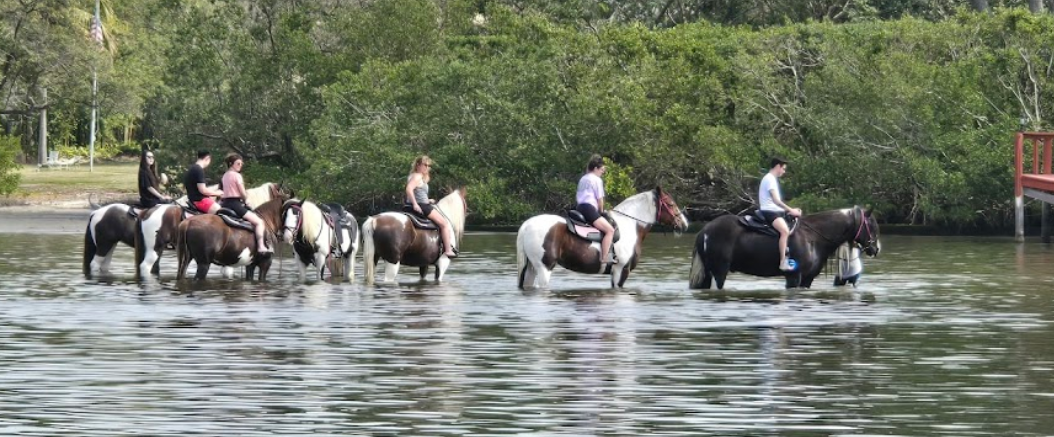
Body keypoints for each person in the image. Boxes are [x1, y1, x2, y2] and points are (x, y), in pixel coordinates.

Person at [404, 155, 457, 258]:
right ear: (418, 165)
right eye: (425, 165)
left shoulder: (413, 176)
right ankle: (448, 250)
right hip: (422, 206)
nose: (427, 168)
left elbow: (416, 193)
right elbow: (409, 189)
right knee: (444, 224)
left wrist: (428, 200)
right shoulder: (417, 176)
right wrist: (415, 204)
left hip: (413, 204)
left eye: (429, 166)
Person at [220, 153, 272, 254]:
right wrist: (246, 200)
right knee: (259, 222)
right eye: (238, 163)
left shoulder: (225, 175)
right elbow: (242, 192)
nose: (240, 165)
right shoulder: (237, 176)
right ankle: (261, 246)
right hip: (235, 204)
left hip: (225, 204)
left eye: (241, 164)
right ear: (231, 163)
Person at [759, 157, 802, 271]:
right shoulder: (770, 179)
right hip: (769, 211)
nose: (784, 171)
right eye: (783, 168)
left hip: (774, 210)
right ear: (777, 166)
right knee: (785, 231)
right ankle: (783, 261)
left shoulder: (771, 178)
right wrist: (791, 210)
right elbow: (776, 201)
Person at [576, 154, 616, 265]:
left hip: (579, 207)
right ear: (595, 168)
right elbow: (600, 199)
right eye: (601, 170)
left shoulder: (583, 178)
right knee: (610, 231)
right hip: (589, 208)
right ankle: (604, 257)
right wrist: (601, 211)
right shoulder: (596, 180)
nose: (602, 172)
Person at [183, 150, 223, 214]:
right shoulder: (198, 170)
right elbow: (203, 190)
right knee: (222, 212)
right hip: (200, 200)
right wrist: (218, 193)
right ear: (207, 158)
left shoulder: (192, 168)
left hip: (192, 199)